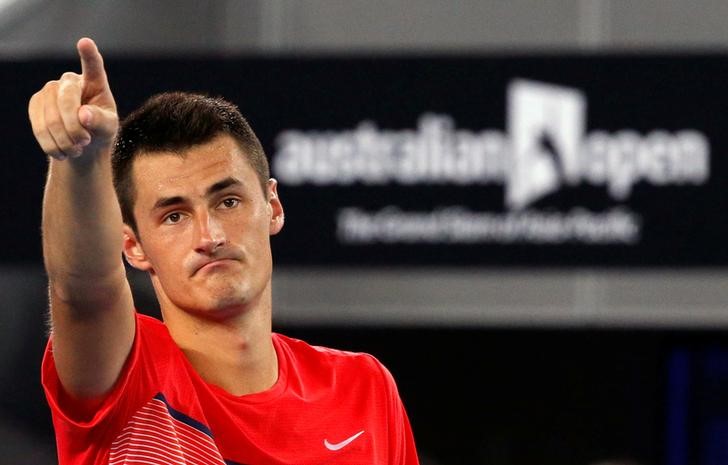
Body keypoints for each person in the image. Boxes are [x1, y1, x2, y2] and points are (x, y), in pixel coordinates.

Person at [28, 37, 419, 465]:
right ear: (133, 246)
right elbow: (82, 291)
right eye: (174, 215)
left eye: (227, 201)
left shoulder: (363, 387)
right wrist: (82, 158)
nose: (209, 234)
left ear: (272, 207)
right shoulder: (124, 375)